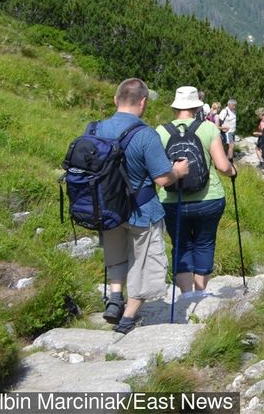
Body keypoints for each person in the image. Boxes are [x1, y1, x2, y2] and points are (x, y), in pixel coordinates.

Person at [97, 79, 190, 335]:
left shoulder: (95, 129)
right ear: (143, 102)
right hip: (142, 210)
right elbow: (162, 178)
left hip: (107, 209)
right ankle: (128, 318)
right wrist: (179, 171)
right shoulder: (146, 134)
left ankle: (115, 297)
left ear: (116, 100)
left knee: (116, 255)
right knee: (144, 262)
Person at [156, 86, 236, 295]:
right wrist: (233, 171)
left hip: (172, 199)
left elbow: (155, 170)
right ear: (197, 106)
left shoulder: (161, 131)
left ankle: (186, 296)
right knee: (204, 244)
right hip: (209, 199)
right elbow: (222, 166)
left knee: (181, 245)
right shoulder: (208, 128)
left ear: (175, 107)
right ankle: (200, 294)